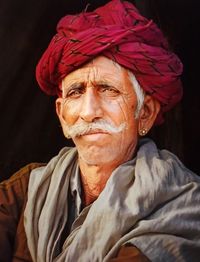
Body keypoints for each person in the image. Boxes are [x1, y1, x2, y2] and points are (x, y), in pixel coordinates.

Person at [0, 0, 200, 261]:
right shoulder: (25, 189)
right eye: (76, 92)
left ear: (145, 113)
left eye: (109, 90)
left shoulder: (182, 206)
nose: (89, 110)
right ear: (62, 114)